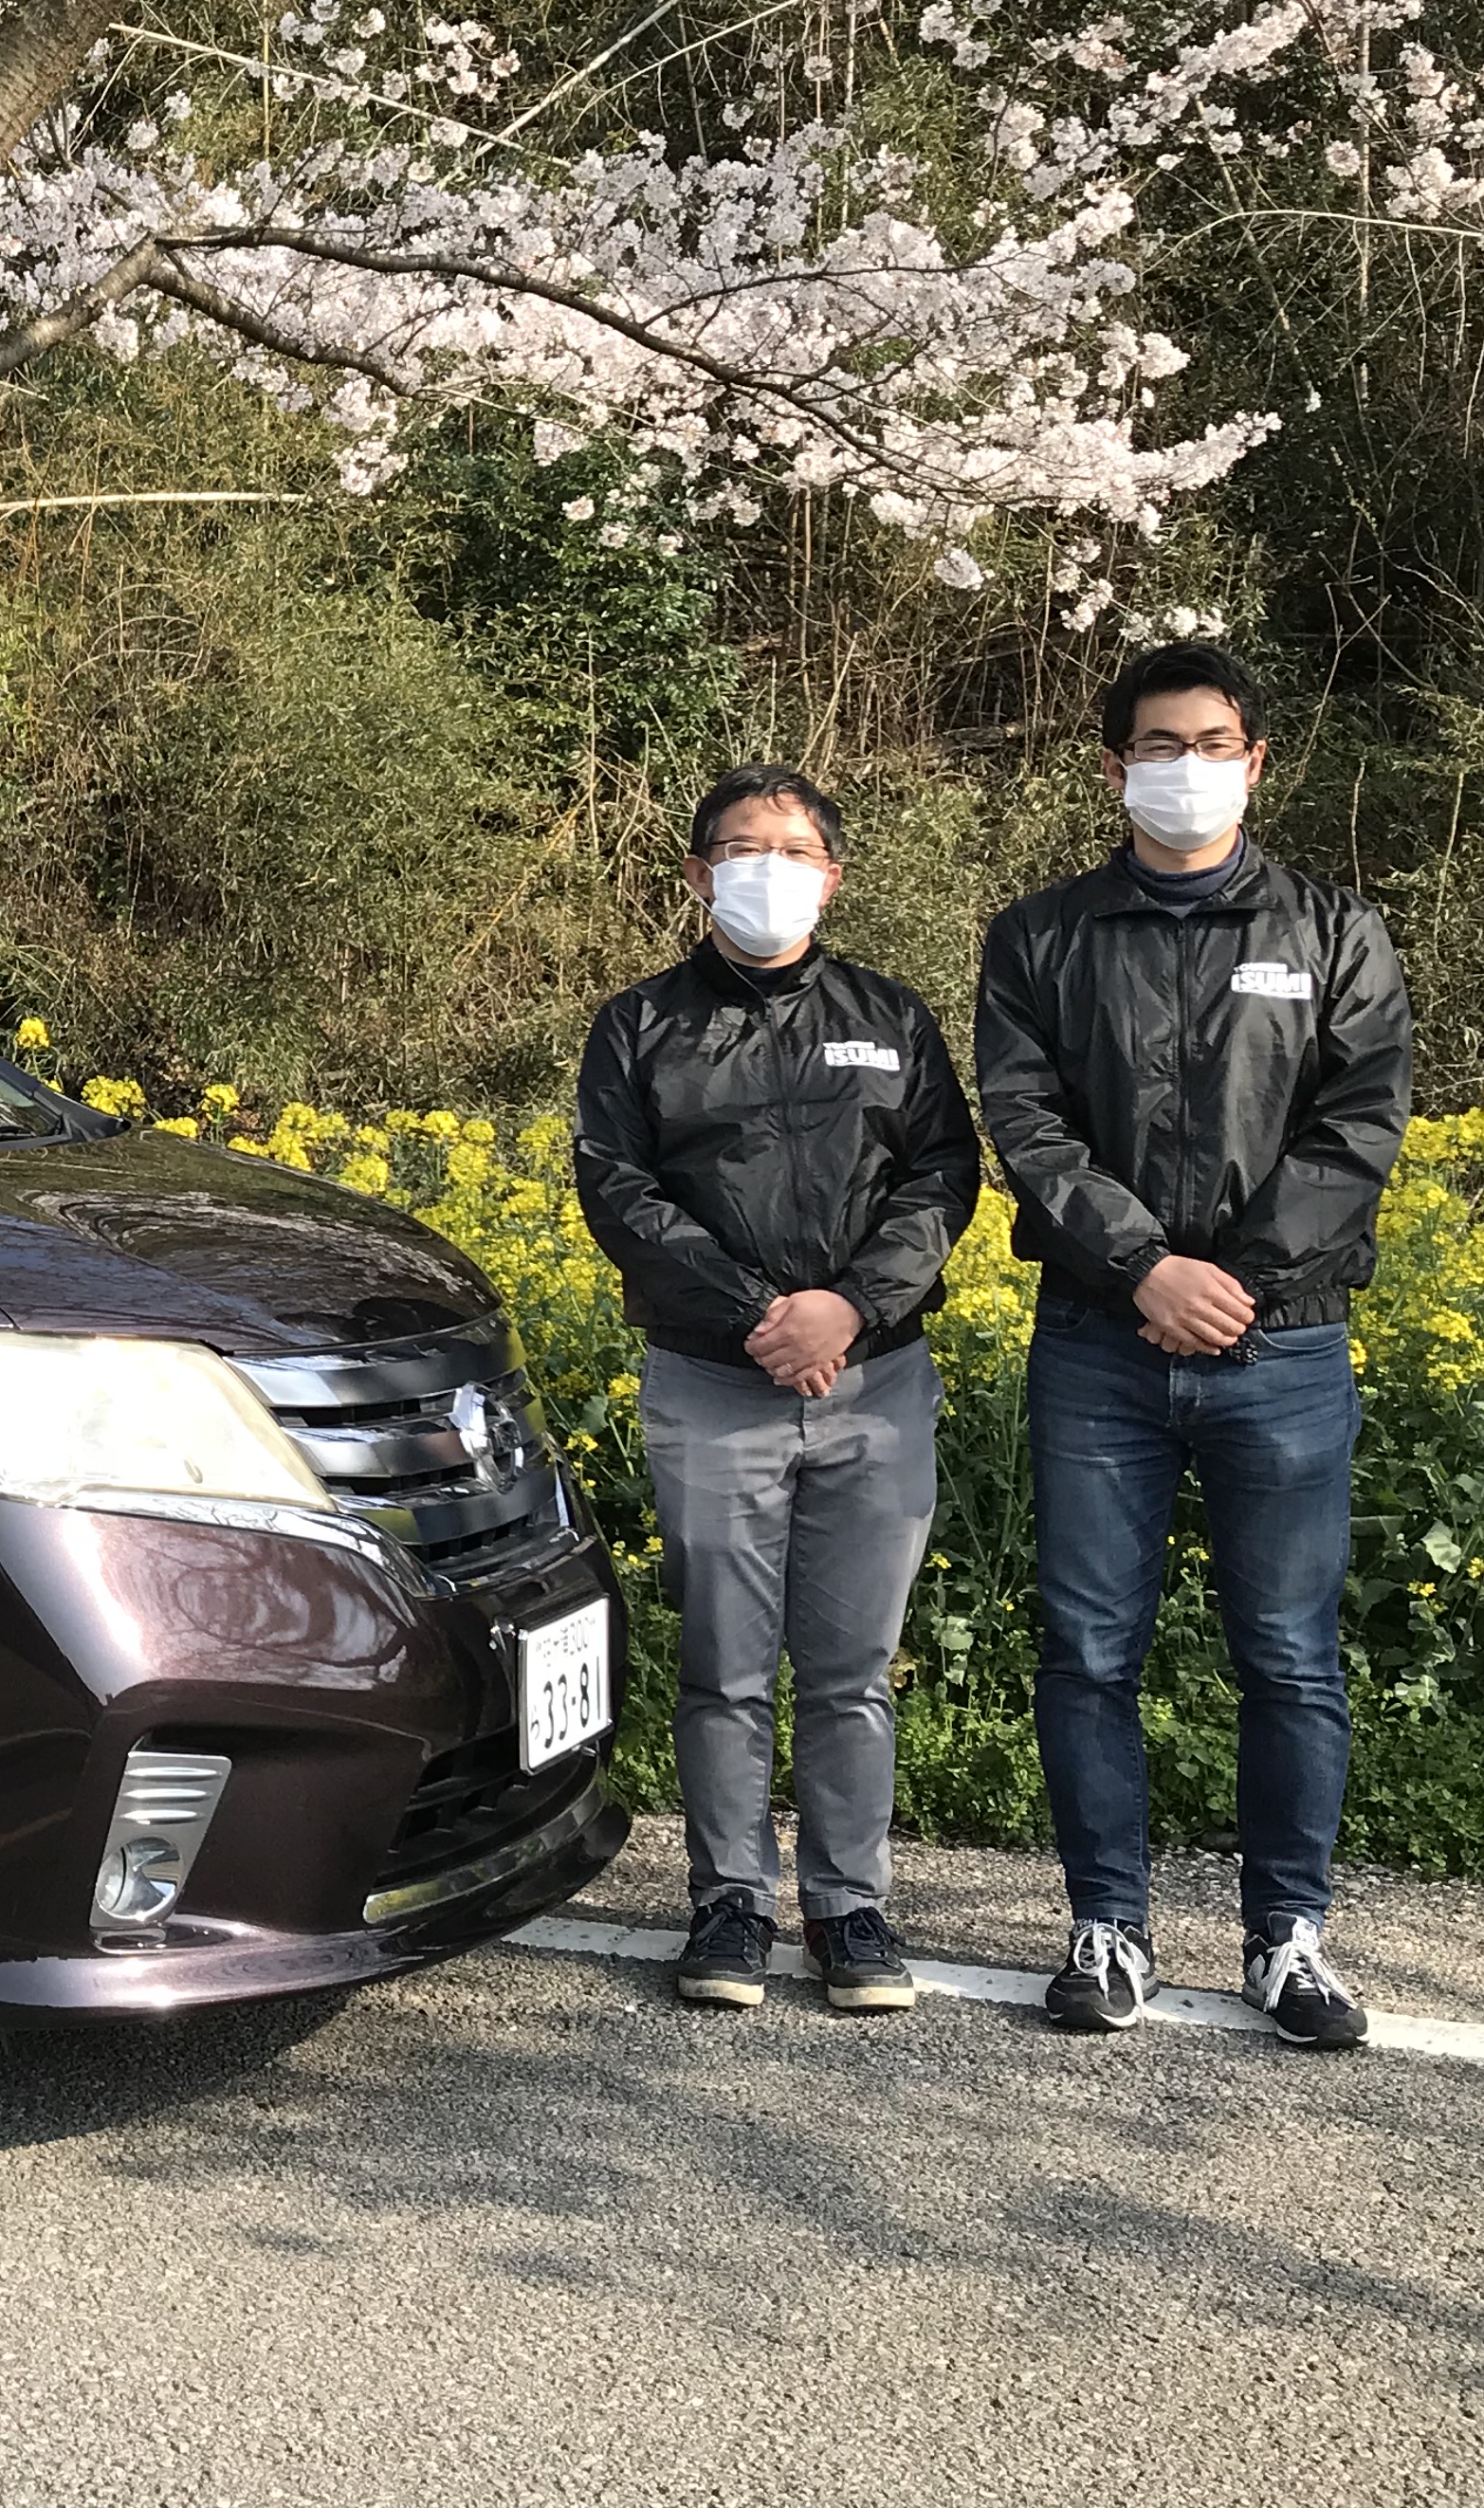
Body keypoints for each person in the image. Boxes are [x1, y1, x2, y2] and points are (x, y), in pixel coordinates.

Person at [978, 640, 1411, 2048]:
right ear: (1114, 768)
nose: (1185, 769)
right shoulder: (1040, 935)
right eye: (1157, 747)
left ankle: (1289, 1940)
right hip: (1102, 1343)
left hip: (1282, 1350)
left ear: (1256, 757)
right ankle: (1108, 1927)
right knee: (1090, 1648)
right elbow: (1027, 1124)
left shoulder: (1339, 933)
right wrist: (1144, 1265)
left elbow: (1359, 1132)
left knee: (1286, 1654)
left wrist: (1227, 1279)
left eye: (1211, 742)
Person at [577, 765, 982, 2013]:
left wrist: (849, 1307)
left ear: (832, 875)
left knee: (854, 1665)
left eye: (795, 848)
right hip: (714, 1381)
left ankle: (852, 1909)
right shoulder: (639, 1025)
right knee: (725, 1662)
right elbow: (620, 1191)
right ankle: (730, 1903)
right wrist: (759, 1313)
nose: (770, 866)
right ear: (699, 877)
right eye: (742, 848)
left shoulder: (891, 1018)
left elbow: (943, 1176)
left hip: (876, 1382)